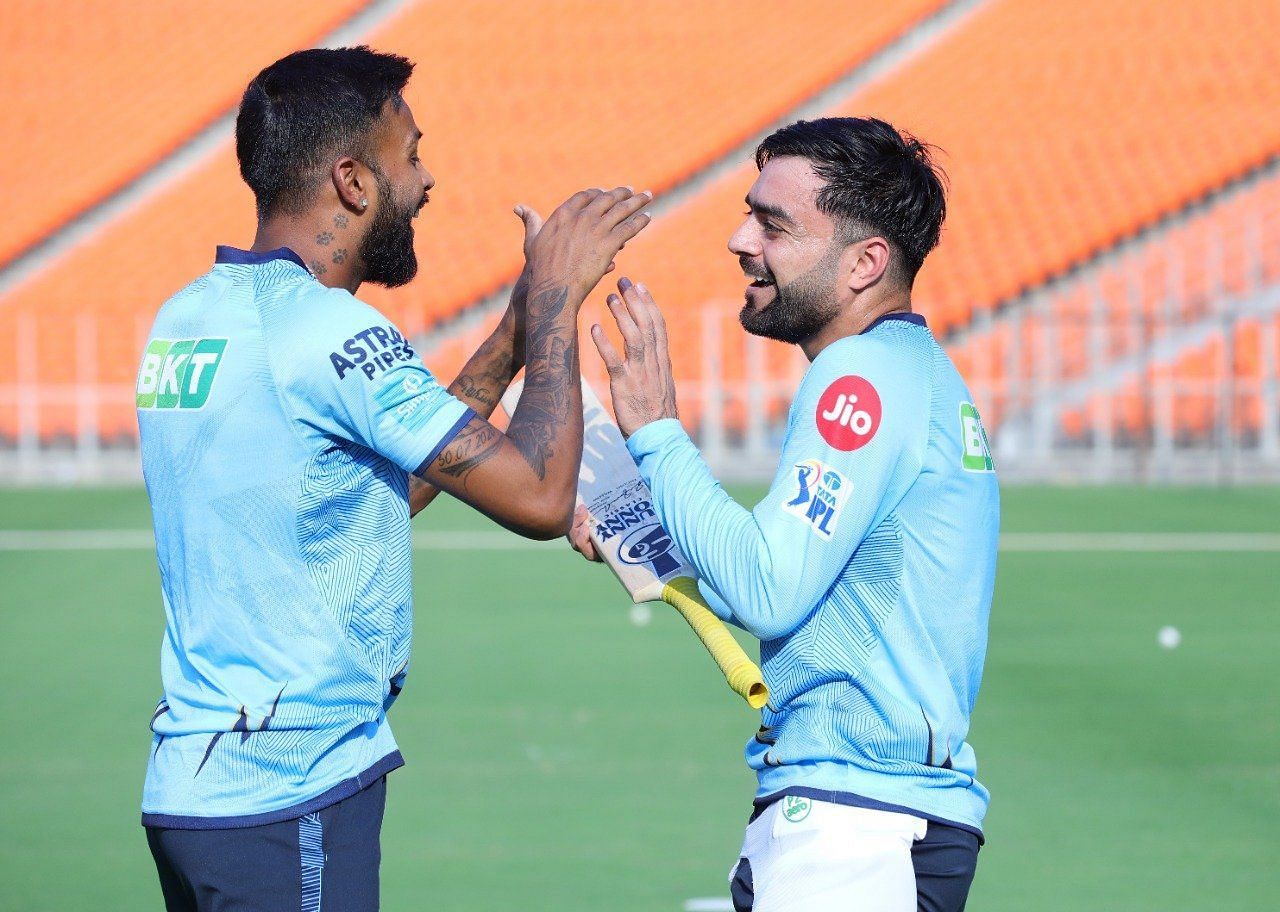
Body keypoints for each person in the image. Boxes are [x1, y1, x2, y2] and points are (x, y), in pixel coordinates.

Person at [136, 46, 649, 910]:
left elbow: (357, 505)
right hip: (289, 787)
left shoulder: (189, 313)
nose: (427, 180)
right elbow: (538, 495)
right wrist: (559, 296)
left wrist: (514, 337)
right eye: (410, 155)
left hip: (193, 786)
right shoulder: (330, 331)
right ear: (352, 181)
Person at [571, 117, 998, 912]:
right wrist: (648, 530)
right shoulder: (909, 371)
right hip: (868, 820)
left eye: (773, 224)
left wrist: (658, 431)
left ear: (865, 263)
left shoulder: (859, 379)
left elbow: (767, 590)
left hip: (855, 834)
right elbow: (773, 581)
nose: (740, 239)